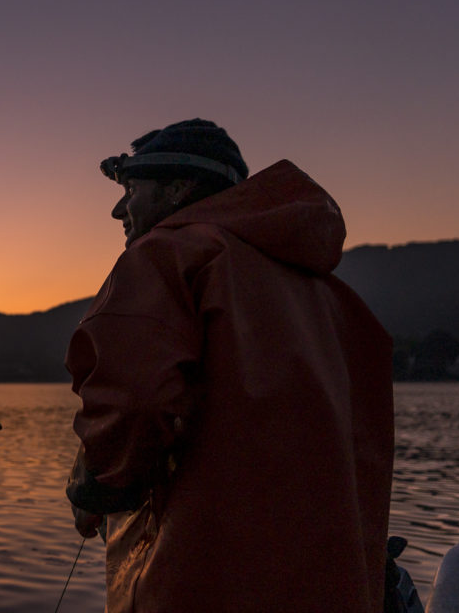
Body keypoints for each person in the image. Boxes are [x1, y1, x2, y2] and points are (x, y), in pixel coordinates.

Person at [65, 119, 394, 612]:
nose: (119, 208)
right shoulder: (334, 300)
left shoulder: (167, 255)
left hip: (206, 575)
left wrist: (97, 486)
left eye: (132, 188)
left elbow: (132, 401)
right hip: (329, 582)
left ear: (178, 188)